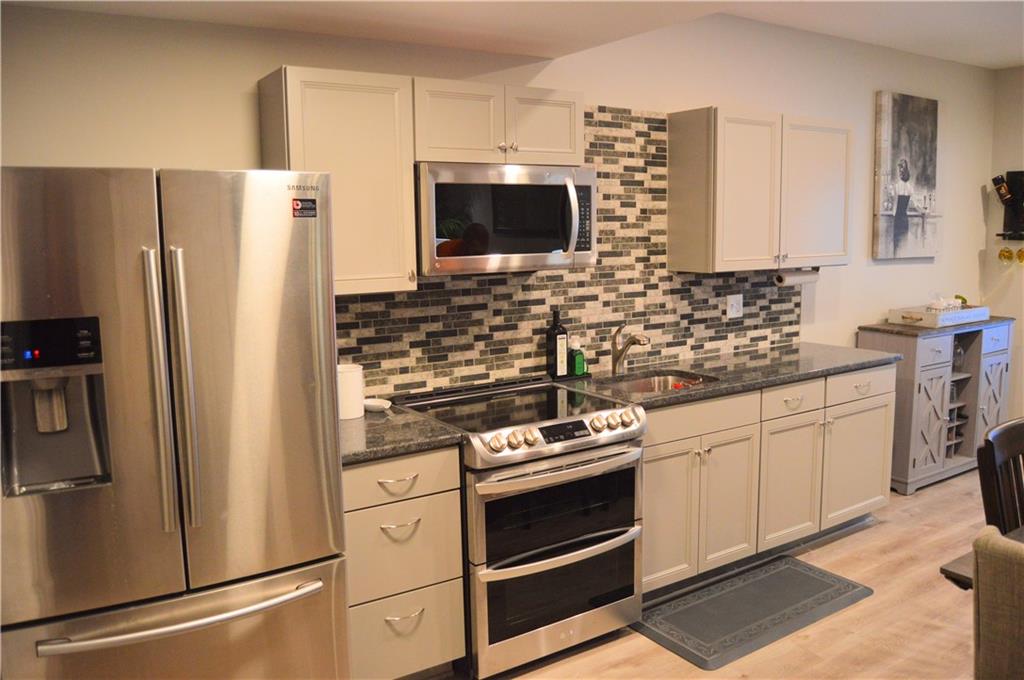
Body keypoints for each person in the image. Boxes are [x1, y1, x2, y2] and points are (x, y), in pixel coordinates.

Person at [892, 158, 915, 253]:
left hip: (898, 218)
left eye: (900, 169)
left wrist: (893, 214)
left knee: (896, 247)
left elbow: (895, 206)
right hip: (905, 219)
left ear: (900, 171)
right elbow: (912, 204)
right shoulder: (910, 187)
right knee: (904, 246)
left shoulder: (897, 186)